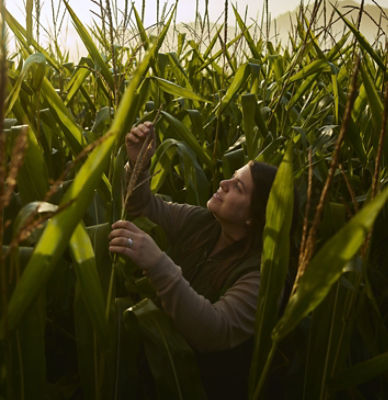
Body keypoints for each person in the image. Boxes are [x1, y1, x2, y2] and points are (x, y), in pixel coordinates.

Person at [109, 121, 282, 399]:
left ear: (256, 216)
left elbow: (214, 330)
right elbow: (143, 207)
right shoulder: (202, 221)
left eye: (237, 186)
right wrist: (139, 163)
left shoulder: (260, 274)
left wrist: (157, 263)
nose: (223, 183)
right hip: (155, 370)